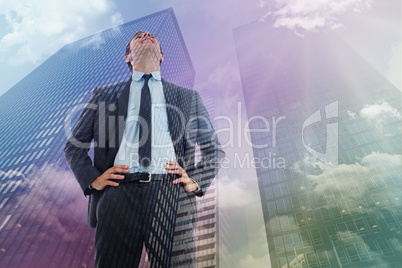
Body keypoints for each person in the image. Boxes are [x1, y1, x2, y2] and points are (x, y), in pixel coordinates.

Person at [64, 31, 224, 267]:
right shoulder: (103, 95)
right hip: (117, 194)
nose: (146, 35)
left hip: (171, 194)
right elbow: (73, 147)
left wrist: (195, 180)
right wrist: (93, 179)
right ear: (128, 57)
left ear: (161, 57)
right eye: (138, 37)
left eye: (152, 37)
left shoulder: (188, 97)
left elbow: (214, 151)